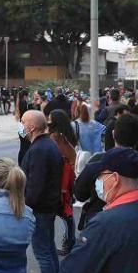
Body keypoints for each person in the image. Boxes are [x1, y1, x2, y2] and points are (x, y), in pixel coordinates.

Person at [19, 110, 64, 273]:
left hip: (40, 209)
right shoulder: (47, 145)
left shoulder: (39, 149)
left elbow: (34, 187)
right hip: (48, 206)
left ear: (32, 127)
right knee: (49, 250)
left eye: (23, 122)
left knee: (43, 253)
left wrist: (23, 207)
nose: (21, 125)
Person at [49, 109, 78, 255]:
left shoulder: (55, 138)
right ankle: (70, 240)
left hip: (60, 181)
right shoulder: (68, 136)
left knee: (60, 212)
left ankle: (66, 241)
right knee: (67, 212)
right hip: (69, 180)